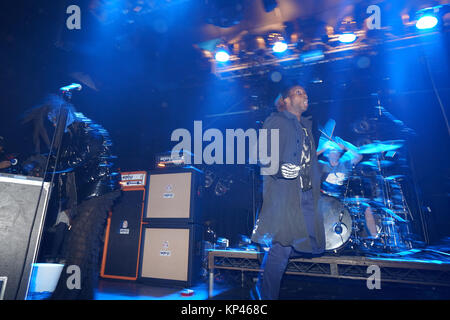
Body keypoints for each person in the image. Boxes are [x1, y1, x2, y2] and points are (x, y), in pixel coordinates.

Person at [23, 94, 120, 299]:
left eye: (54, 115)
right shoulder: (71, 135)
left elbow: (81, 156)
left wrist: (48, 166)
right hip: (86, 194)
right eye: (50, 118)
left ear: (64, 111)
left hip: (98, 190)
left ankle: (67, 294)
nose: (53, 121)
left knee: (78, 245)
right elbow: (68, 173)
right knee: (85, 246)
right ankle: (84, 294)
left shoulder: (86, 127)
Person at [251, 84, 325, 300]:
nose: (305, 95)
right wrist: (280, 168)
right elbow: (261, 155)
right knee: (282, 247)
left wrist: (326, 168)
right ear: (286, 101)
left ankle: (262, 281)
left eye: (305, 93)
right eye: (299, 93)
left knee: (310, 241)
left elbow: (308, 163)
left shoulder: (306, 127)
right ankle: (264, 297)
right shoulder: (277, 121)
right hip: (284, 195)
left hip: (305, 194)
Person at [317, 139, 378, 238]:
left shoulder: (345, 164)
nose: (335, 154)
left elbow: (359, 156)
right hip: (325, 199)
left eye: (337, 152)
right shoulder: (321, 165)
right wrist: (324, 148)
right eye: (332, 152)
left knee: (366, 207)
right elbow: (310, 157)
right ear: (327, 154)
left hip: (342, 199)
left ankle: (375, 239)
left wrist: (345, 147)